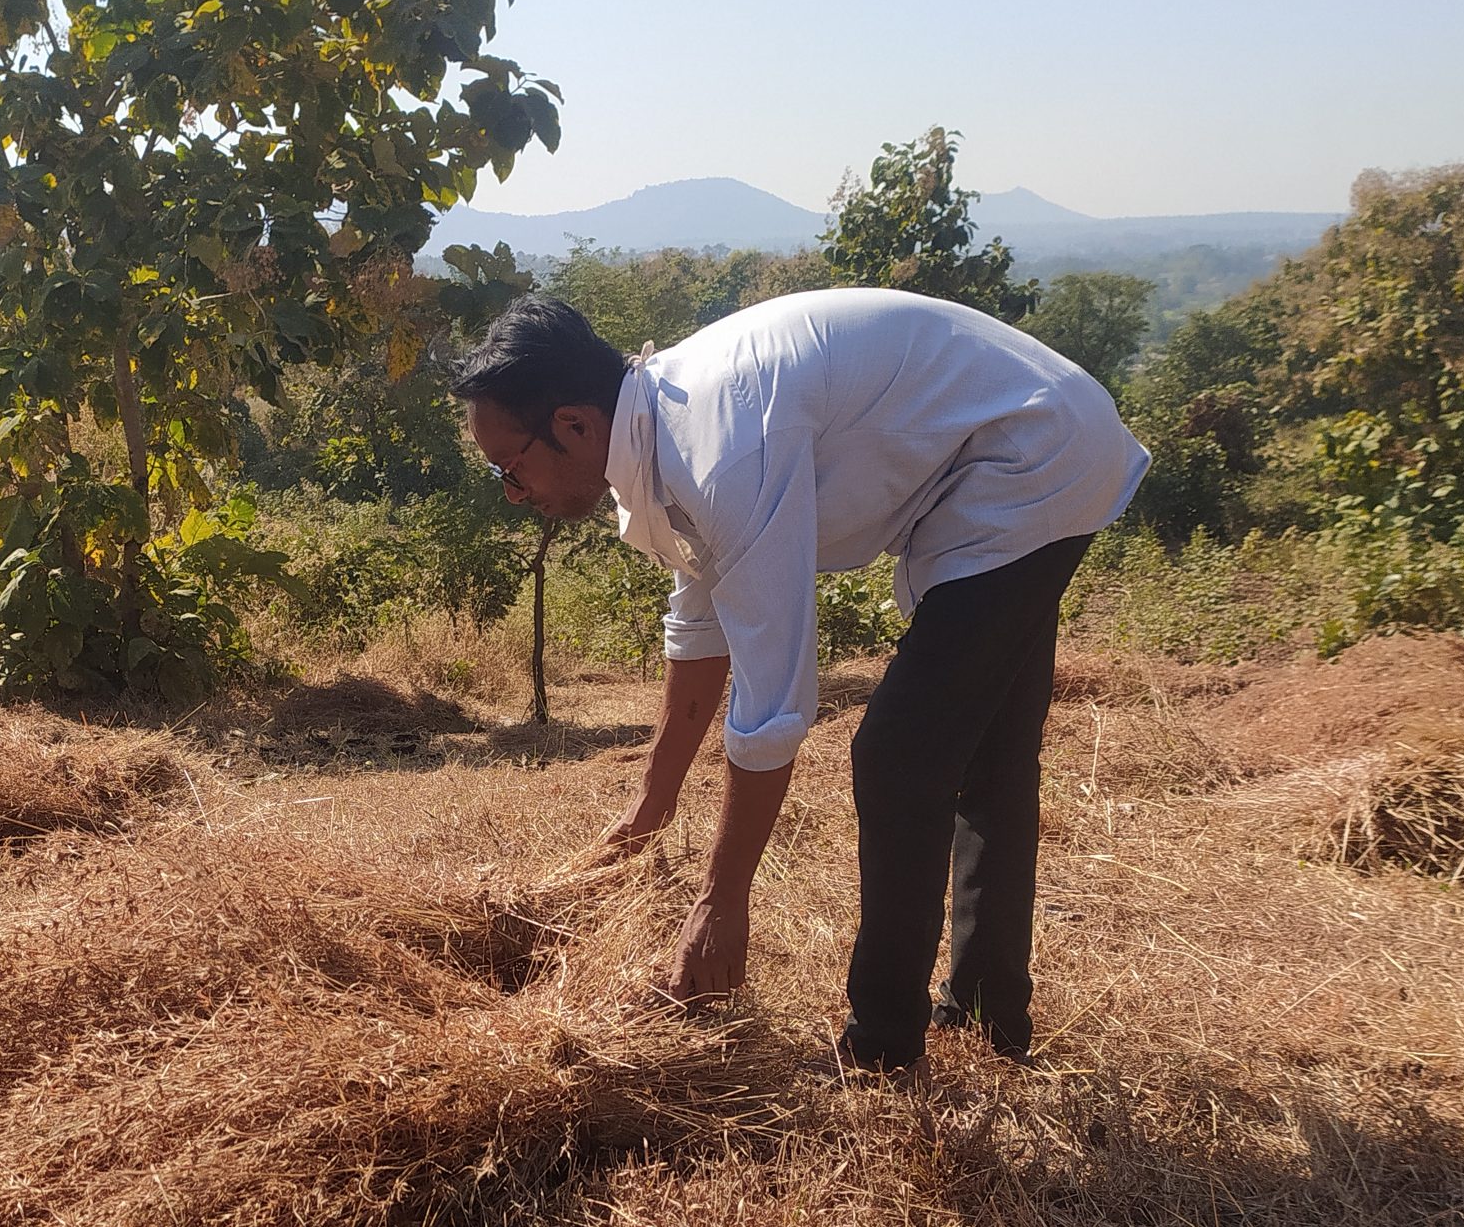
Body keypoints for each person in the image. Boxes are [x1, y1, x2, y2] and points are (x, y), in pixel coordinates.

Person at [450, 288, 1148, 1071]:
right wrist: (648, 810)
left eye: (511, 470)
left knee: (900, 755)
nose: (516, 495)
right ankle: (990, 1021)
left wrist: (721, 902)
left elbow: (773, 701)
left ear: (575, 425)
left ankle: (882, 1049)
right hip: (1015, 446)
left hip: (1031, 454)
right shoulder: (666, 427)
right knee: (983, 750)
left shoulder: (719, 449)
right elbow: (701, 617)